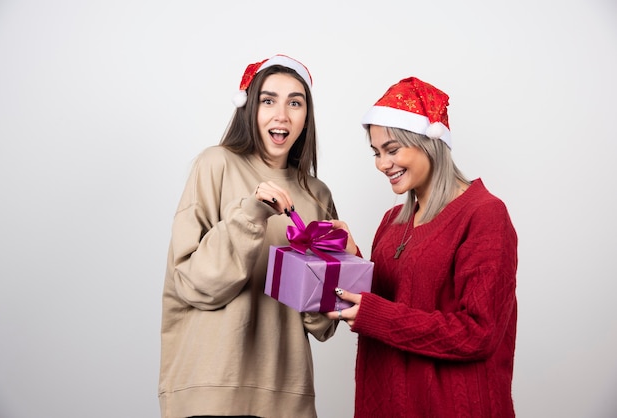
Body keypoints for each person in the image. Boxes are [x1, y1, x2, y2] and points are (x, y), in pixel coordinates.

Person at [158, 54, 340, 418]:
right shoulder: (215, 164)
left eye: (295, 103)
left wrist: (339, 266)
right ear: (248, 107)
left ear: (307, 117)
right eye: (268, 100)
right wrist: (253, 213)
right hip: (211, 391)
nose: (282, 115)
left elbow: (320, 324)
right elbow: (194, 284)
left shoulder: (317, 194)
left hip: (287, 395)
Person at [327, 77, 518, 417]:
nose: (381, 164)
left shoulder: (485, 214)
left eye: (392, 149)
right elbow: (391, 301)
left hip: (451, 406)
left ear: (428, 142)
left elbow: (479, 332)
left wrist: (373, 315)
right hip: (387, 400)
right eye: (376, 152)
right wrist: (349, 258)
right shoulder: (392, 221)